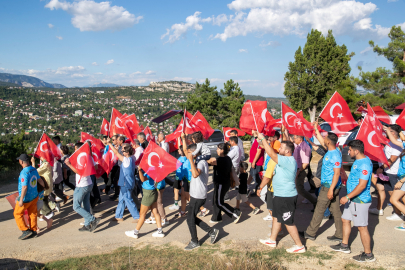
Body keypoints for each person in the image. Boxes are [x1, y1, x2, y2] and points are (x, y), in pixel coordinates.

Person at [254, 131, 306, 254]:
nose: (279, 148)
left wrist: (263, 140)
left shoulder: (287, 160)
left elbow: (271, 153)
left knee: (288, 222)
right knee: (277, 218)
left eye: (282, 147)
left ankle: (299, 246)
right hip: (279, 195)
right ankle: (272, 240)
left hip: (286, 196)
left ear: (287, 151)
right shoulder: (285, 159)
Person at [330, 140, 375, 262]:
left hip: (359, 200)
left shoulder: (364, 164)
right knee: (345, 220)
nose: (348, 152)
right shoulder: (358, 161)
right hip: (352, 199)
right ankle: (344, 245)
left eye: (349, 150)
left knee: (361, 227)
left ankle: (368, 255)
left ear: (356, 151)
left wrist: (348, 197)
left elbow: (362, 185)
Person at [299, 126, 343, 242]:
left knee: (319, 209)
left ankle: (310, 233)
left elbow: (337, 173)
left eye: (325, 138)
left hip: (329, 186)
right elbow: (320, 142)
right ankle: (340, 234)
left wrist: (330, 189)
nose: (323, 140)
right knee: (336, 211)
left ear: (328, 142)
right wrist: (315, 129)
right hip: (330, 185)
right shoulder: (332, 150)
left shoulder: (335, 155)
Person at [182, 134, 219, 251]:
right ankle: (212, 231)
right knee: (191, 217)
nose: (187, 154)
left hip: (198, 196)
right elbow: (185, 150)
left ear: (195, 152)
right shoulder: (199, 160)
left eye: (189, 152)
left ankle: (195, 241)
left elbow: (195, 174)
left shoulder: (202, 162)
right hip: (195, 194)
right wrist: (183, 139)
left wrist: (191, 161)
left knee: (190, 218)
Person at [64, 142, 101, 232]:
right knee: (86, 205)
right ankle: (87, 224)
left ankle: (92, 219)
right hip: (88, 183)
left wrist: (69, 165)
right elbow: (95, 167)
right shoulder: (88, 156)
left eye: (75, 148)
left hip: (82, 185)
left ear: (78, 148)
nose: (74, 150)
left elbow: (80, 172)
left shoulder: (80, 157)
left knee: (76, 206)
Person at [369, 124, 402, 220]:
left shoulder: (397, 144)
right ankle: (379, 209)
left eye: (388, 131)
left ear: (392, 133)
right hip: (384, 170)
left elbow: (392, 159)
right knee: (380, 188)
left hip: (391, 172)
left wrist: (381, 168)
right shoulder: (391, 142)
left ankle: (398, 213)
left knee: (393, 194)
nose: (385, 132)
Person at [124, 166, 165, 239]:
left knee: (142, 214)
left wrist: (139, 170)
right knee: (155, 212)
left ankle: (135, 232)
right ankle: (160, 231)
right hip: (153, 191)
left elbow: (143, 179)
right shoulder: (157, 169)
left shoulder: (151, 170)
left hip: (148, 193)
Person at [208, 143, 242, 224]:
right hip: (223, 183)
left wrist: (203, 158)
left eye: (218, 149)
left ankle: (235, 213)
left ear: (222, 150)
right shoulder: (227, 158)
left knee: (219, 202)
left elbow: (211, 162)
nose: (216, 150)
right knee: (217, 200)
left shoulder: (221, 160)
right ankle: (217, 217)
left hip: (221, 184)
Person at [108, 143, 140, 222]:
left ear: (128, 152)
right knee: (121, 200)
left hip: (126, 183)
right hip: (128, 182)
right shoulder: (132, 158)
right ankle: (118, 216)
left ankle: (137, 217)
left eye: (123, 150)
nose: (122, 151)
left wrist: (109, 144)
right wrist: (121, 146)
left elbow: (116, 153)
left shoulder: (126, 160)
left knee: (128, 200)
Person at [284, 129, 317, 207]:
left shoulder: (305, 147)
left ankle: (314, 201)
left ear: (300, 139)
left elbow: (305, 163)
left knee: (300, 189)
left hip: (301, 170)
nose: (294, 140)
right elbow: (289, 141)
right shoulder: (298, 145)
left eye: (295, 138)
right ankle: (293, 203)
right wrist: (285, 131)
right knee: (294, 187)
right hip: (296, 169)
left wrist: (299, 171)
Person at [382, 125, 405, 230]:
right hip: (402, 177)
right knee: (403, 199)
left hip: (403, 179)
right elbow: (396, 141)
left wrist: (401, 181)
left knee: (394, 199)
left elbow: (396, 141)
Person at [14, 154, 39, 240]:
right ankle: (34, 230)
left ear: (21, 162)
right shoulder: (34, 169)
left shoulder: (23, 172)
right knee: (32, 213)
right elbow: (39, 180)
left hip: (26, 199)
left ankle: (25, 230)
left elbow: (24, 187)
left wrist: (21, 200)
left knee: (17, 213)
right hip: (34, 196)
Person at [110, 136, 125, 201]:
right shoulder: (120, 146)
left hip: (122, 167)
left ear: (121, 141)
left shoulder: (123, 147)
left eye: (118, 140)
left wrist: (109, 144)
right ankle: (118, 194)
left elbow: (118, 154)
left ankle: (117, 195)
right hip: (120, 166)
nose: (117, 141)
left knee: (116, 180)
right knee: (116, 179)